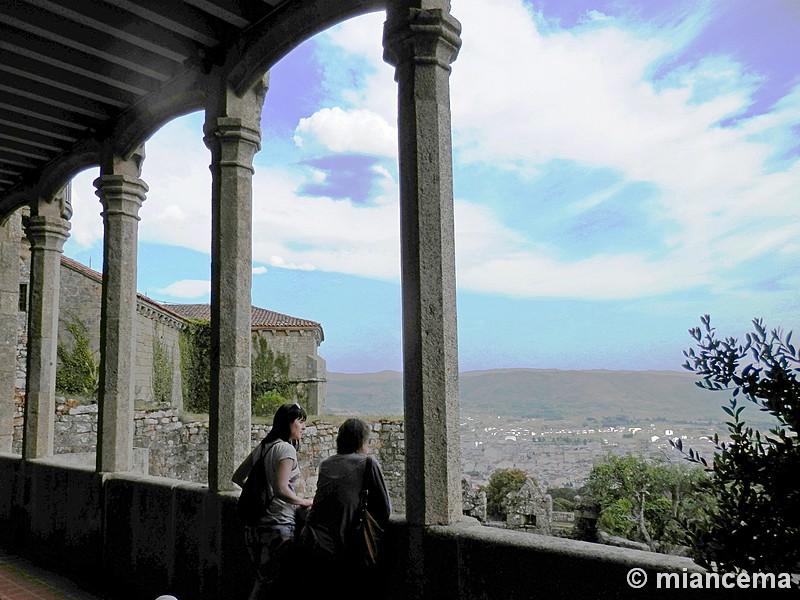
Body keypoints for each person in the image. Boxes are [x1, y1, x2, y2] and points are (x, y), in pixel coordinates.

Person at [232, 402, 312, 600]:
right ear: (288, 423)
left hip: (254, 526)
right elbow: (281, 488)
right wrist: (302, 501)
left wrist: (259, 493)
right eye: (300, 421)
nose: (303, 427)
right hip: (278, 524)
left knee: (262, 581)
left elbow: (238, 477)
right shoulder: (286, 449)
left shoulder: (264, 446)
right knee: (275, 585)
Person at [299, 418, 391, 583]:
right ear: (362, 441)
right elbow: (385, 508)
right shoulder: (368, 463)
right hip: (338, 548)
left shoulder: (325, 464)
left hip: (310, 540)